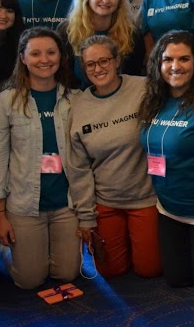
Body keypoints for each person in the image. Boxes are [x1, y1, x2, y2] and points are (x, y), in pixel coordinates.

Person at [0, 27, 79, 290]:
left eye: (51, 52)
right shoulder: (5, 102)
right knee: (29, 280)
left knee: (67, 274)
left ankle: (43, 249)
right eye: (35, 53)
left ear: (61, 57)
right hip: (24, 204)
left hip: (66, 204)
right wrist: (0, 215)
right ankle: (12, 251)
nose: (44, 59)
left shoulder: (74, 99)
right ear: (23, 58)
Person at [66, 36, 159, 279]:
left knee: (149, 269)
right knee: (110, 271)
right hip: (106, 201)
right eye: (90, 64)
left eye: (104, 61)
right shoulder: (79, 106)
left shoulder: (144, 88)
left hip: (145, 198)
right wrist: (86, 217)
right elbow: (78, 168)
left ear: (117, 60)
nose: (98, 69)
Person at [139, 31, 194, 292]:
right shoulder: (154, 99)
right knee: (175, 278)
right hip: (168, 208)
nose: (175, 66)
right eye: (168, 59)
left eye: (184, 59)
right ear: (158, 63)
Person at [59, 0, 144, 88]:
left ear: (120, 0)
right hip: (77, 96)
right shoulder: (66, 30)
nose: (106, 0)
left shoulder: (131, 33)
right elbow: (63, 76)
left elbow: (134, 76)